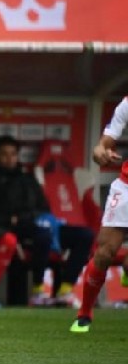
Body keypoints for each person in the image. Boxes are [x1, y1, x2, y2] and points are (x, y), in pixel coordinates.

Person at [0, 136, 93, 307]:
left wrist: (38, 216)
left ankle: (65, 290)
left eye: (13, 154)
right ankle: (38, 290)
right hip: (11, 227)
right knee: (43, 235)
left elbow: (44, 205)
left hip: (38, 222)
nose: (10, 158)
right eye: (4, 154)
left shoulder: (27, 177)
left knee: (85, 235)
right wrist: (12, 219)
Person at [71, 99, 128, 333]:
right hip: (126, 188)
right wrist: (100, 151)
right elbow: (103, 144)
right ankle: (84, 313)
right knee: (104, 253)